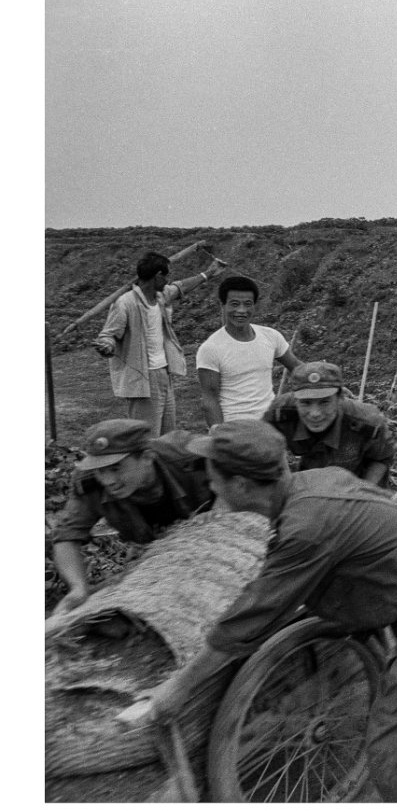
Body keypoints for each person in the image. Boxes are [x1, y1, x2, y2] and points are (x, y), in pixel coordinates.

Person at [116, 419, 397, 802]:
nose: (209, 485)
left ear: (243, 485)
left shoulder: (308, 525)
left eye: (214, 476)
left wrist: (177, 689)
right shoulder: (314, 481)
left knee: (394, 761)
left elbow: (248, 620)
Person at [48, 419, 214, 614]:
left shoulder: (188, 453)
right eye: (101, 470)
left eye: (116, 469)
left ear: (147, 457)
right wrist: (78, 588)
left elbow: (244, 461)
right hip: (161, 554)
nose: (108, 481)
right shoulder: (90, 482)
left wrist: (221, 510)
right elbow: (66, 536)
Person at [93, 251, 226, 434]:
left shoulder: (160, 297)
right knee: (147, 436)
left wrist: (208, 273)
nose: (168, 281)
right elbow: (109, 334)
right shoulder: (125, 303)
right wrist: (107, 345)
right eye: (166, 276)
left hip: (164, 373)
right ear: (158, 276)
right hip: (143, 378)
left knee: (168, 435)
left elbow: (181, 287)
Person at [262, 361, 396, 486]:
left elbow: (381, 458)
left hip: (355, 479)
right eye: (305, 403)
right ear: (295, 399)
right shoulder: (279, 414)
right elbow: (260, 452)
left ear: (340, 398)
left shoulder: (367, 423)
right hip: (307, 477)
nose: (315, 413)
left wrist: (363, 493)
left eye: (324, 402)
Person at [195, 276, 300, 426]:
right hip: (236, 428)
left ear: (254, 306)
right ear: (222, 305)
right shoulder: (211, 348)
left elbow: (297, 367)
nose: (241, 311)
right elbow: (210, 400)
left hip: (270, 424)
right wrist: (218, 434)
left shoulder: (270, 336)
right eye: (235, 304)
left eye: (247, 304)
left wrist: (332, 385)